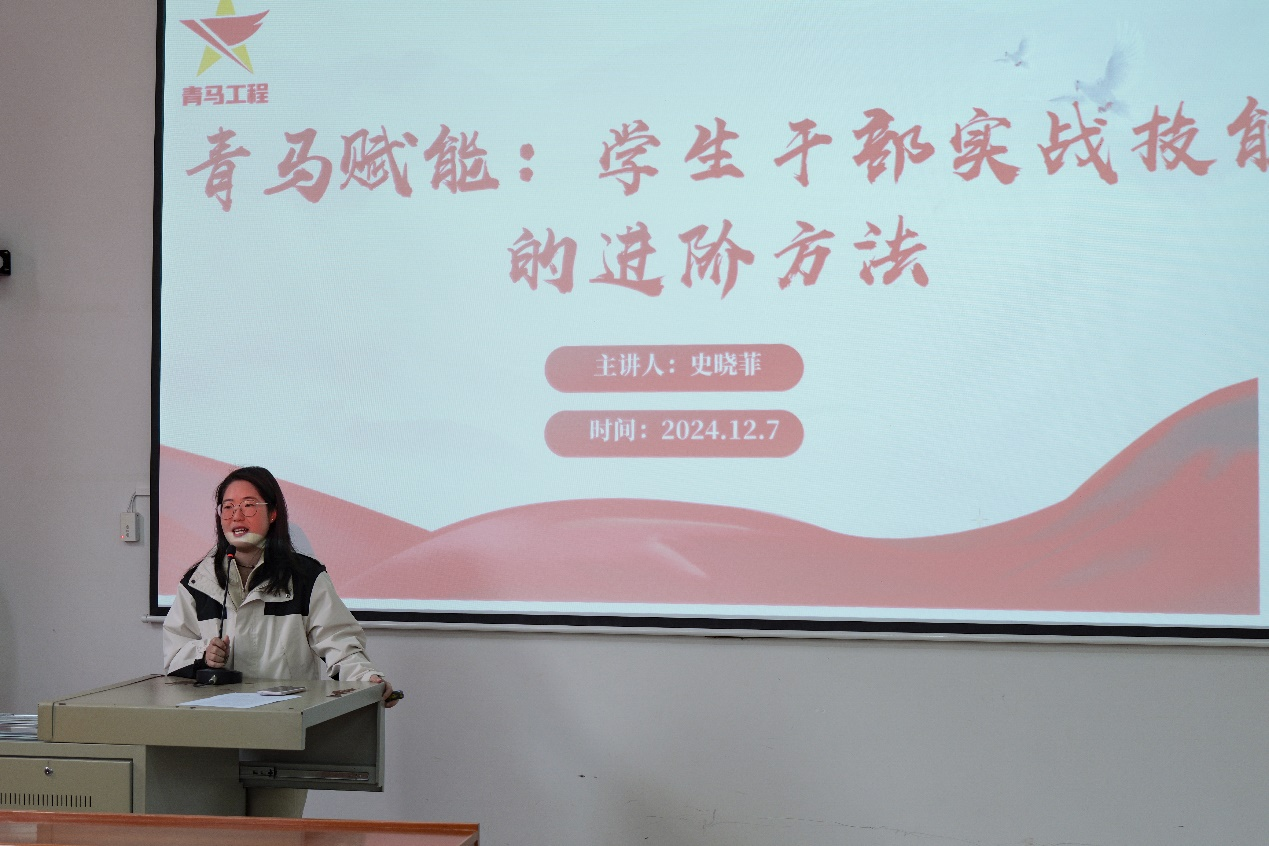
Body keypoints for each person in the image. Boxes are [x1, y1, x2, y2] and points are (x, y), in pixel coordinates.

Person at [162, 465, 397, 817]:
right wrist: (202, 654)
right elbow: (173, 655)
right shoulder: (198, 581)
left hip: (280, 735)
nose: (236, 515)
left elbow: (340, 645)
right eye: (228, 507)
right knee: (215, 835)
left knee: (275, 833)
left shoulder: (305, 577)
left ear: (273, 513)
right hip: (212, 739)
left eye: (248, 505)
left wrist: (368, 678)